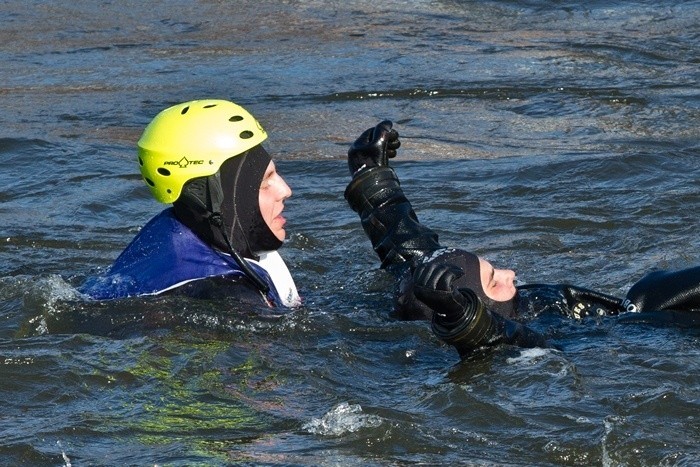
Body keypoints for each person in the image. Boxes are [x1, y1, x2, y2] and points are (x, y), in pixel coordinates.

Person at [344, 121, 700, 356]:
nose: (510, 273)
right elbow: (505, 338)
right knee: (646, 300)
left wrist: (371, 175)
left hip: (625, 308)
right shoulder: (528, 333)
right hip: (640, 330)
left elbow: (410, 249)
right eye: (494, 281)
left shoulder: (422, 285)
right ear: (476, 310)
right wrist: (462, 321)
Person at [80, 99, 300, 308]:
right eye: (264, 182)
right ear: (209, 198)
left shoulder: (180, 228)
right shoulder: (225, 297)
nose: (285, 190)